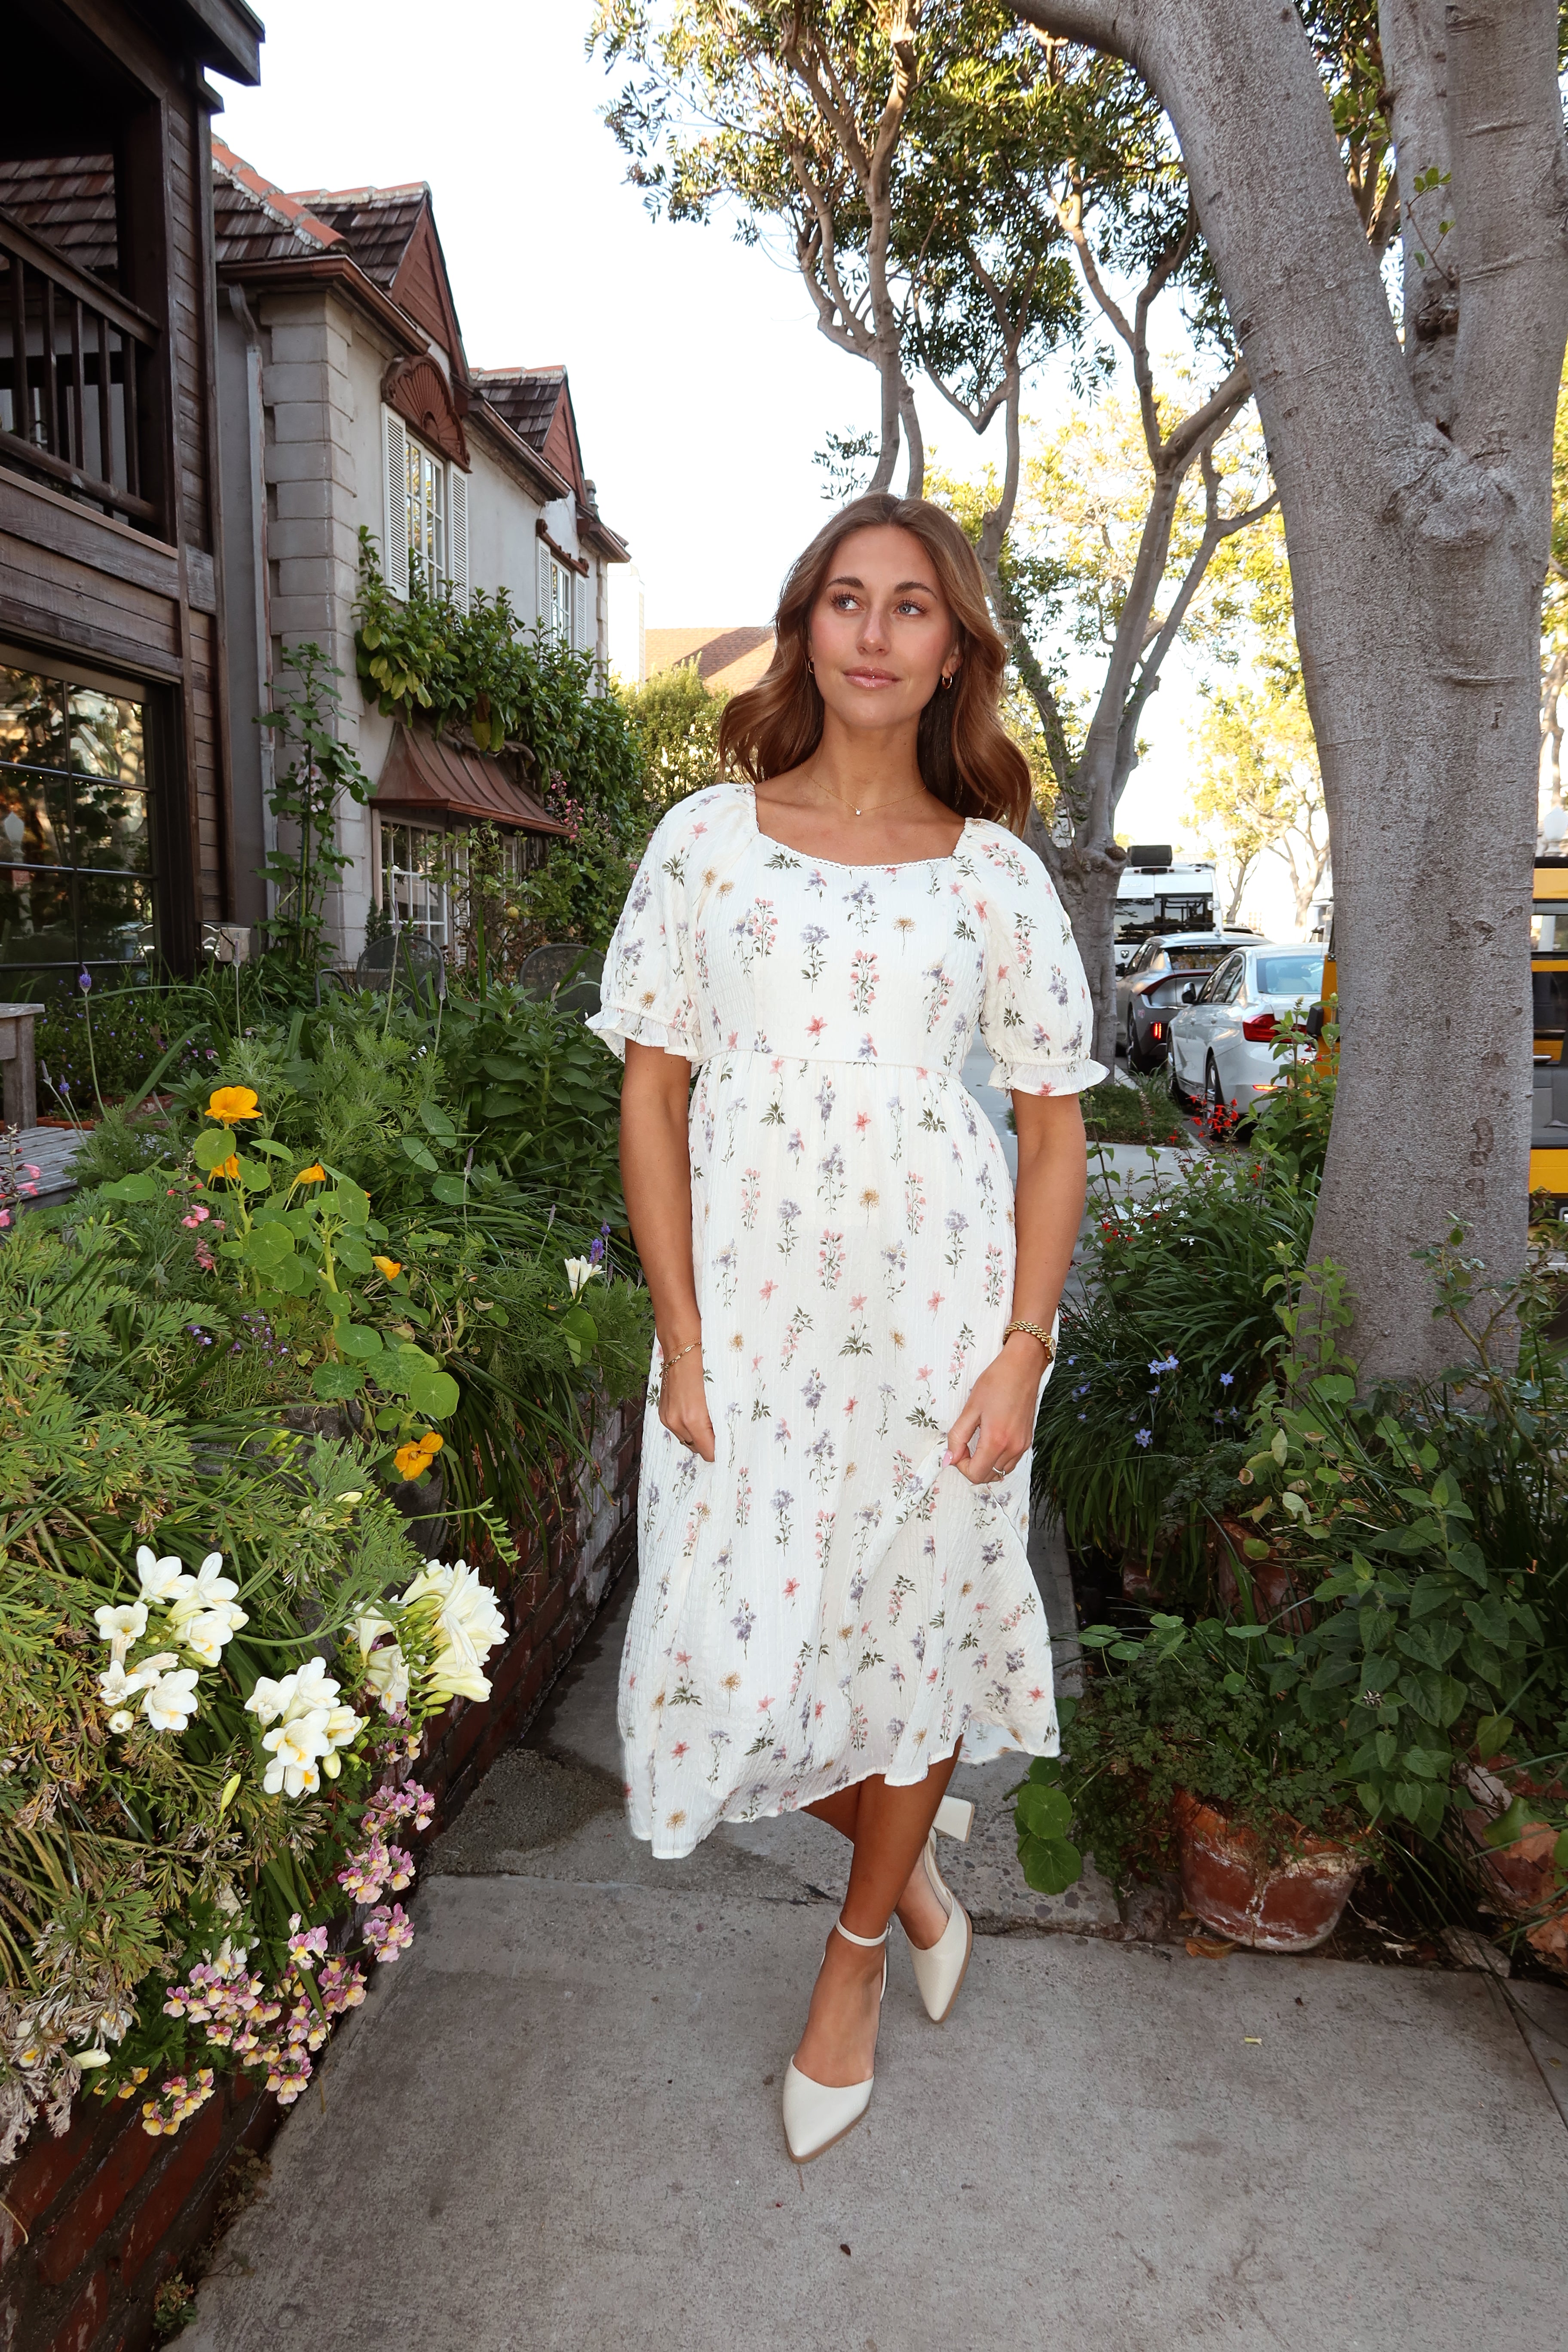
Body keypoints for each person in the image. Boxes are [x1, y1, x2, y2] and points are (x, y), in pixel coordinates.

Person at [588, 492, 1102, 2162]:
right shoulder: (705, 843)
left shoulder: (995, 876)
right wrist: (680, 1339)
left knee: (918, 1632)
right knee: (713, 1665)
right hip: (749, 1322)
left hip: (940, 1317)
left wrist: (1024, 1345)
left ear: (954, 651)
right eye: (846, 598)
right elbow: (653, 1095)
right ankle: (917, 1866)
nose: (875, 632)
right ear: (805, 626)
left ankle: (862, 1948)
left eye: (912, 605)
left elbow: (1051, 1131)